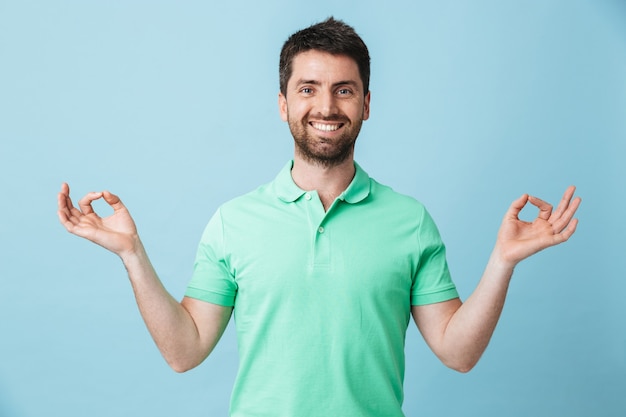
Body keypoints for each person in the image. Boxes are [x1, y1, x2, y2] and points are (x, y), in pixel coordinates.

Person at [57, 17, 581, 417]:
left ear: (367, 103)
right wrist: (132, 253)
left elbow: (457, 353)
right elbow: (184, 350)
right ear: (282, 104)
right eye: (307, 89)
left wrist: (503, 261)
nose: (325, 107)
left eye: (343, 89)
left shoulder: (410, 221)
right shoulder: (233, 222)